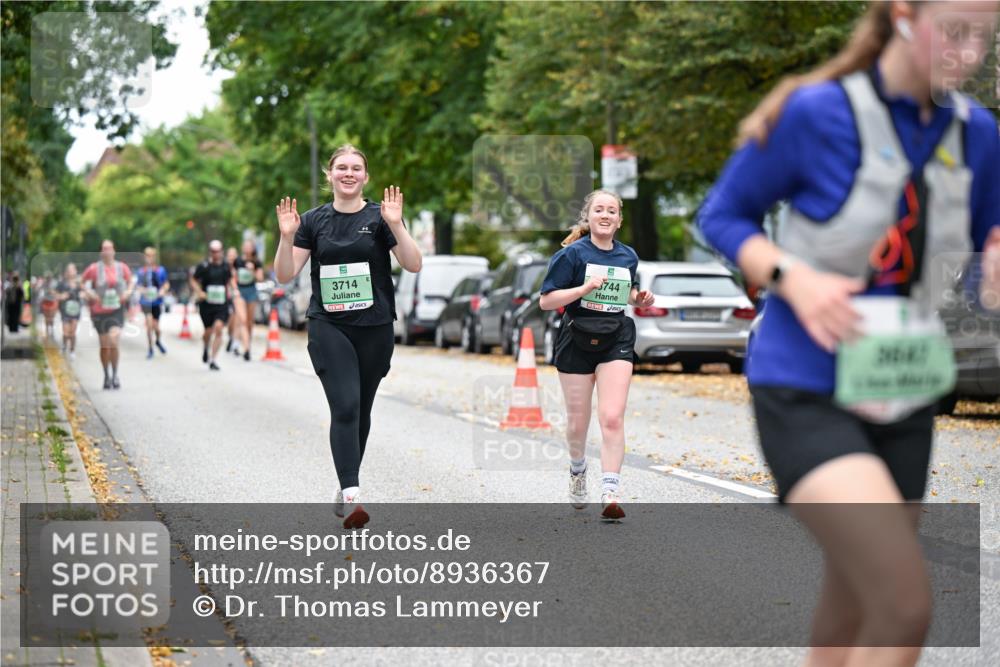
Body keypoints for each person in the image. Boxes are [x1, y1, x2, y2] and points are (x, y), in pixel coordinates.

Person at [698, 1, 999, 664]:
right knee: (903, 601)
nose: (971, 54)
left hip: (903, 388)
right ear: (902, 16)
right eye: (955, 32)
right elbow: (722, 216)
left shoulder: (980, 135)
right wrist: (790, 276)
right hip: (804, 383)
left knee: (857, 596)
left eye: (985, 35)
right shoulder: (816, 113)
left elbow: (985, 253)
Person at [273, 143, 422, 529]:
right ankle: (354, 496)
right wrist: (286, 237)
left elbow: (413, 263)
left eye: (356, 167)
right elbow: (284, 274)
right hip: (329, 326)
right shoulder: (312, 221)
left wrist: (397, 225)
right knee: (345, 406)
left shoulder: (380, 217)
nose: (349, 173)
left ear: (365, 177)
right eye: (342, 167)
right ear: (330, 175)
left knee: (362, 411)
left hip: (374, 327)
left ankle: (345, 480)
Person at [538, 190, 655, 521]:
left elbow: (625, 291)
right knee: (578, 421)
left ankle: (610, 491)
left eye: (612, 211)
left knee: (612, 416)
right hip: (576, 338)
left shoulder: (628, 256)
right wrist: (583, 289)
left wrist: (639, 298)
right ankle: (578, 469)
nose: (605, 215)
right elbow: (546, 301)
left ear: (619, 220)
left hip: (616, 338)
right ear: (588, 217)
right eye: (599, 210)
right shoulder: (572, 255)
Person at [81, 240, 134, 389]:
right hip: (99, 311)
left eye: (109, 248)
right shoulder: (93, 268)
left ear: (114, 251)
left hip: (116, 309)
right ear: (101, 252)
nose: (107, 251)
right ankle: (106, 375)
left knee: (114, 340)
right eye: (104, 249)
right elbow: (82, 282)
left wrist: (127, 292)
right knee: (104, 346)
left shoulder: (121, 267)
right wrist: (90, 293)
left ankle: (115, 374)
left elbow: (131, 282)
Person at [190, 240, 233, 371]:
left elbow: (230, 281)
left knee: (219, 328)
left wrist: (232, 293)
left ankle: (213, 359)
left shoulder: (226, 266)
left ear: (222, 252)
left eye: (218, 251)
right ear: (210, 252)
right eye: (213, 251)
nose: (216, 254)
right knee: (208, 331)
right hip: (206, 304)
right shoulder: (203, 266)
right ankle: (205, 347)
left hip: (221, 303)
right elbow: (193, 280)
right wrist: (199, 292)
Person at [232, 238, 264, 361]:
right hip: (240, 291)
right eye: (245, 246)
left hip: (251, 291)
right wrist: (235, 289)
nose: (246, 248)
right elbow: (233, 277)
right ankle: (246, 349)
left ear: (253, 249)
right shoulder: (238, 261)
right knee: (243, 320)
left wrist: (253, 270)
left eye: (249, 246)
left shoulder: (257, 262)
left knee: (250, 322)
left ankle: (247, 343)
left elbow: (260, 278)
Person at [136, 247, 170, 359]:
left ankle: (158, 341)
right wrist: (143, 291)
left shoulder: (160, 270)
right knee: (149, 324)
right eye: (147, 255)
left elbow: (166, 284)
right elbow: (138, 285)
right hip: (146, 302)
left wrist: (162, 291)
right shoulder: (141, 271)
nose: (149, 258)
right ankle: (150, 348)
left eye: (151, 255)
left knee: (156, 327)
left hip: (156, 301)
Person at [55, 264, 84, 359]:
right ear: (66, 272)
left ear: (75, 271)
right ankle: (64, 346)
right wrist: (61, 296)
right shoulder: (62, 283)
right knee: (66, 332)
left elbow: (85, 292)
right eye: (69, 270)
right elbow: (54, 293)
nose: (71, 272)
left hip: (76, 310)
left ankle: (72, 350)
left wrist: (83, 295)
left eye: (72, 270)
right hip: (65, 310)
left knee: (73, 332)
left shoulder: (79, 283)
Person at [39, 273, 59, 341]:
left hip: (52, 302)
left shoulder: (54, 283)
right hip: (45, 301)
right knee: (46, 318)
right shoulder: (44, 284)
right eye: (47, 278)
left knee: (51, 318)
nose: (48, 279)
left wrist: (53, 292)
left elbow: (57, 291)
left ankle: (52, 330)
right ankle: (47, 331)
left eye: (49, 278)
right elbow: (39, 289)